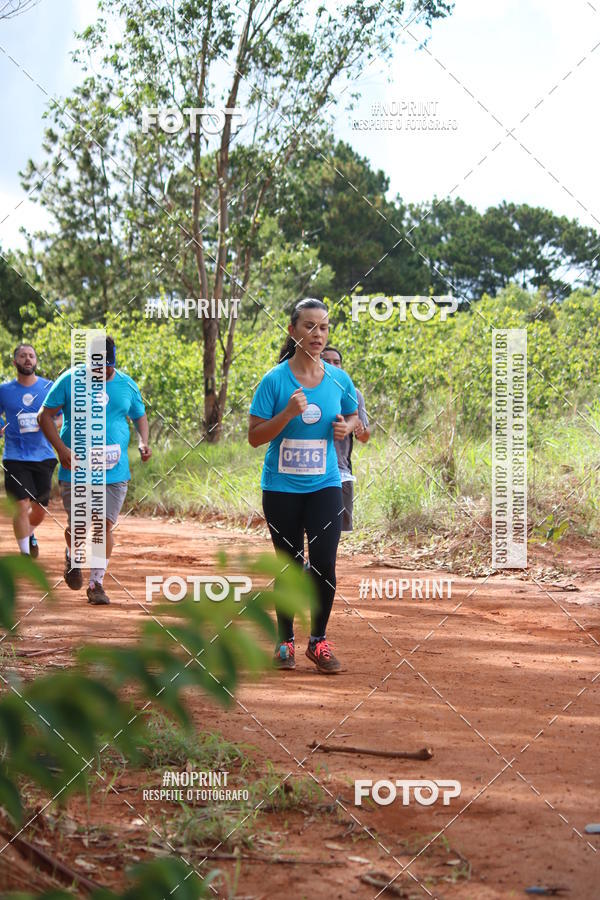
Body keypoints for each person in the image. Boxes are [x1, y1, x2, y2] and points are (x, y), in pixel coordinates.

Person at [248, 299, 359, 674]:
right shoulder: (274, 380)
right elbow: (254, 437)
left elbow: (353, 413)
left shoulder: (338, 378)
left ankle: (319, 641)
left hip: (325, 484)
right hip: (281, 488)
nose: (317, 334)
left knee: (325, 562)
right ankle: (285, 641)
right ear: (293, 330)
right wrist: (287, 414)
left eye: (323, 327)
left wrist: (347, 426)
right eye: (309, 326)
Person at [38, 335, 152, 605]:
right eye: (96, 367)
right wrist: (61, 450)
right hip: (75, 467)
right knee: (78, 527)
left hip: (114, 471)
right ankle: (72, 556)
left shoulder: (126, 384)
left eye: (107, 367)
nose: (101, 373)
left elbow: (139, 416)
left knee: (103, 525)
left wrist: (143, 441)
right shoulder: (69, 380)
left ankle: (96, 583)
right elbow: (44, 416)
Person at [0, 344, 60, 557]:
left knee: (40, 509)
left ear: (36, 361)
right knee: (20, 503)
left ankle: (29, 534)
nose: (27, 359)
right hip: (14, 456)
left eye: (31, 356)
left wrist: (54, 424)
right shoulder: (4, 391)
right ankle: (25, 554)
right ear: (14, 362)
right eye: (23, 356)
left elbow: (61, 414)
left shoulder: (48, 388)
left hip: (43, 455)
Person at [321, 346, 370, 532]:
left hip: (340, 472)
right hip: (309, 471)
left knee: (335, 529)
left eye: (337, 362)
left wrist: (357, 428)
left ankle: (320, 561)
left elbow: (364, 436)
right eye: (327, 361)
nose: (333, 365)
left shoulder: (353, 394)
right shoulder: (306, 388)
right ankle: (305, 560)